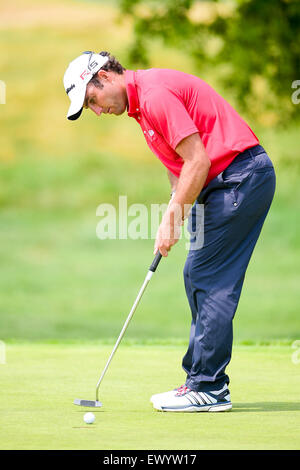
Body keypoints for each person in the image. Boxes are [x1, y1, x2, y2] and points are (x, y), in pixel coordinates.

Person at [63, 51, 276, 412]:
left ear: (105, 78)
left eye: (92, 100)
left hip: (239, 178)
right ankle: (202, 382)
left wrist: (171, 221)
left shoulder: (154, 95)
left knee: (209, 276)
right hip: (224, 183)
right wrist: (175, 212)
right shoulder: (141, 107)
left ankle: (208, 387)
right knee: (199, 273)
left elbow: (199, 159)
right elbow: (180, 166)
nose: (97, 112)